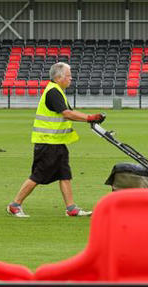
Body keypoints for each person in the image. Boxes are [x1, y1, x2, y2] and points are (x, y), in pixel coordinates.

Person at [7, 61, 105, 218]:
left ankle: (71, 208)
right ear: (59, 77)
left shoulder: (57, 90)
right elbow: (67, 114)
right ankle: (15, 205)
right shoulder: (53, 92)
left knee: (64, 174)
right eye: (68, 75)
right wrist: (89, 118)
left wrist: (91, 118)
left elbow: (70, 113)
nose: (71, 78)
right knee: (38, 176)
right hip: (47, 142)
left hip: (57, 142)